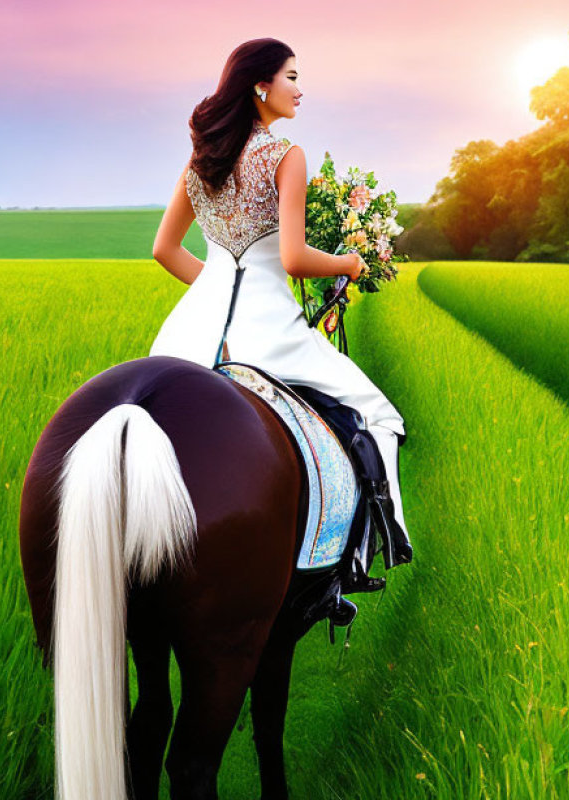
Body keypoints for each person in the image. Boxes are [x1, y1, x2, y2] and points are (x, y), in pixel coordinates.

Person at [149, 37, 411, 574]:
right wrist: (346, 263)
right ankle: (377, 546)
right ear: (260, 85)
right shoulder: (286, 156)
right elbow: (292, 259)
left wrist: (214, 288)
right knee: (382, 416)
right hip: (269, 332)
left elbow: (164, 249)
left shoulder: (200, 162)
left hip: (192, 334)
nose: (300, 89)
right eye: (292, 76)